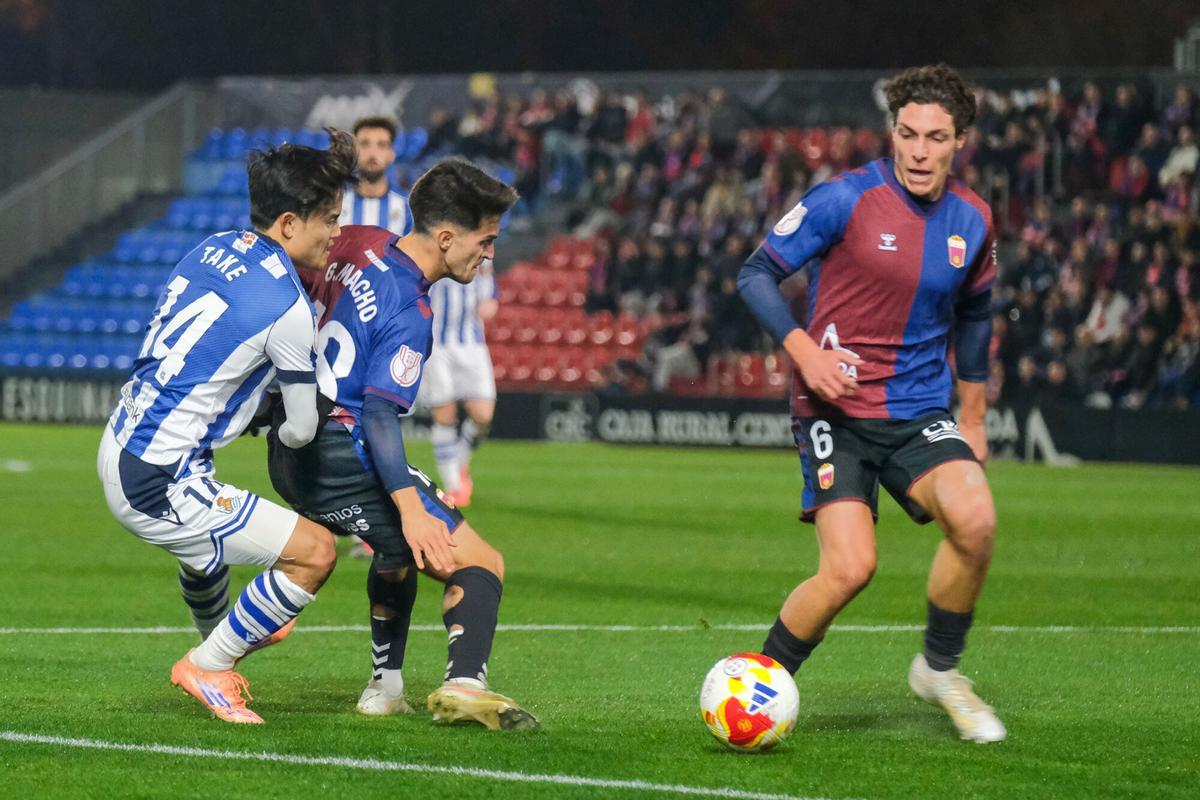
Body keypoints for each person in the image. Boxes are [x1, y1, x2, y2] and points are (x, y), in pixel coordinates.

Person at [736, 64, 1005, 743]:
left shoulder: (972, 219)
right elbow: (756, 273)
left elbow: (976, 316)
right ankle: (758, 683)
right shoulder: (843, 199)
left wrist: (972, 418)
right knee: (850, 568)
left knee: (975, 521)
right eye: (907, 134)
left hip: (919, 409)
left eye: (935, 138)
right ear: (892, 131)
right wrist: (805, 353)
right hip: (835, 410)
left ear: (959, 142)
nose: (918, 151)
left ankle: (940, 670)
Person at [97, 131, 357, 724]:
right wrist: (292, 423)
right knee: (315, 554)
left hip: (125, 441)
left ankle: (223, 640)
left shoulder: (212, 247)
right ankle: (210, 664)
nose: (336, 233)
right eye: (330, 220)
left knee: (205, 555)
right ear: (289, 224)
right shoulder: (288, 307)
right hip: (159, 476)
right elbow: (298, 428)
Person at [267, 160, 538, 731]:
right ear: (446, 237)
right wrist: (412, 510)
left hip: (292, 444)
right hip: (343, 451)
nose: (488, 255)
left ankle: (385, 688)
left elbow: (303, 283)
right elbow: (379, 415)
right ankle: (465, 684)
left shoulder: (356, 242)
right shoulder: (412, 311)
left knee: (394, 553)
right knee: (480, 562)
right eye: (485, 241)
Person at [417, 253, 499, 506]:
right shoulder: (436, 241)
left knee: (483, 415)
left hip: (472, 341)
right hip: (436, 341)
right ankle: (454, 486)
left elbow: (487, 278)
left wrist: (491, 299)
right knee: (445, 412)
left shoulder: (481, 244)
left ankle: (460, 462)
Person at [339, 116, 413, 235]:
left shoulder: (407, 209)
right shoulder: (337, 204)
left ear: (392, 154)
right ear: (353, 151)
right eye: (364, 144)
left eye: (382, 145)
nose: (372, 153)